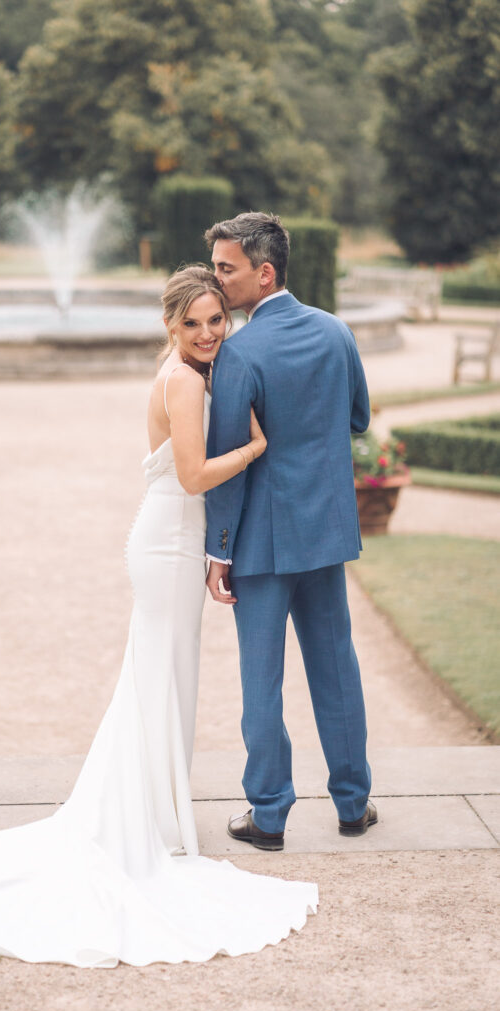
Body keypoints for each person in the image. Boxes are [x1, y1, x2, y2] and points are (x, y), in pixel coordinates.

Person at [0, 265, 317, 968]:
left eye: (216, 320)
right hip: (166, 542)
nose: (209, 333)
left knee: (163, 679)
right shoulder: (180, 379)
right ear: (170, 326)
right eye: (194, 323)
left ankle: (158, 815)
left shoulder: (186, 369)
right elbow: (192, 476)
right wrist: (255, 448)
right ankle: (146, 822)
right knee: (157, 677)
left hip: (178, 542)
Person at [204, 213, 376, 851]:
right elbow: (357, 418)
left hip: (261, 544)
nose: (219, 281)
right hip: (326, 535)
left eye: (228, 269)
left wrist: (217, 552)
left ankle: (269, 815)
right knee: (337, 668)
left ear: (263, 272)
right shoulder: (336, 331)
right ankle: (354, 805)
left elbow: (228, 460)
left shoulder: (240, 352)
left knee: (262, 680)